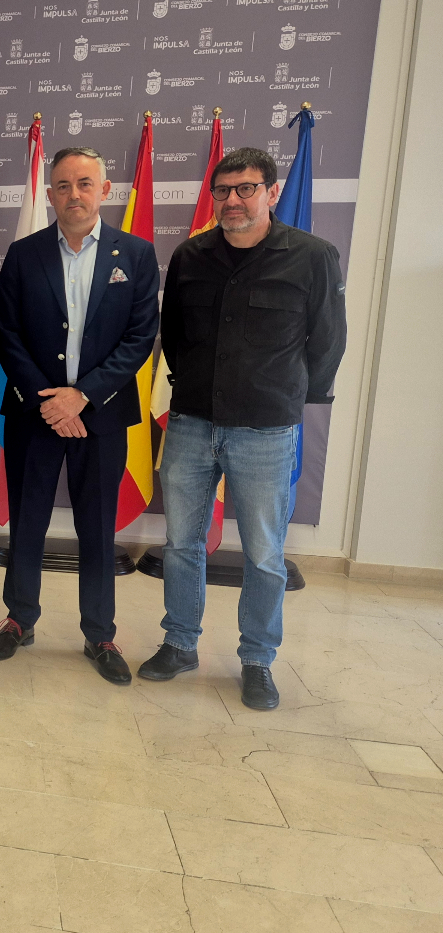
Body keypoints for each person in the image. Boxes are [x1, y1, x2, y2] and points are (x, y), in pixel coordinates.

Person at [139, 147, 346, 710]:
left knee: (263, 553)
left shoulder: (312, 256)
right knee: (182, 544)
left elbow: (328, 341)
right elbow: (173, 335)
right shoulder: (190, 255)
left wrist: (286, 395)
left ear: (271, 193)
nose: (232, 200)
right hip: (191, 422)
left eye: (246, 189)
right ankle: (179, 643)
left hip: (265, 429)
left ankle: (257, 660)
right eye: (223, 190)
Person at [0, 147, 159, 685]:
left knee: (97, 528)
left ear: (104, 190)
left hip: (101, 417)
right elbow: (7, 335)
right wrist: (50, 401)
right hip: (34, 414)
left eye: (85, 184)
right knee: (28, 521)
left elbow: (139, 338)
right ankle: (19, 619)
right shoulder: (23, 253)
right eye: (62, 185)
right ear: (51, 194)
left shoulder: (137, 254)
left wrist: (81, 397)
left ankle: (99, 633)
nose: (74, 194)